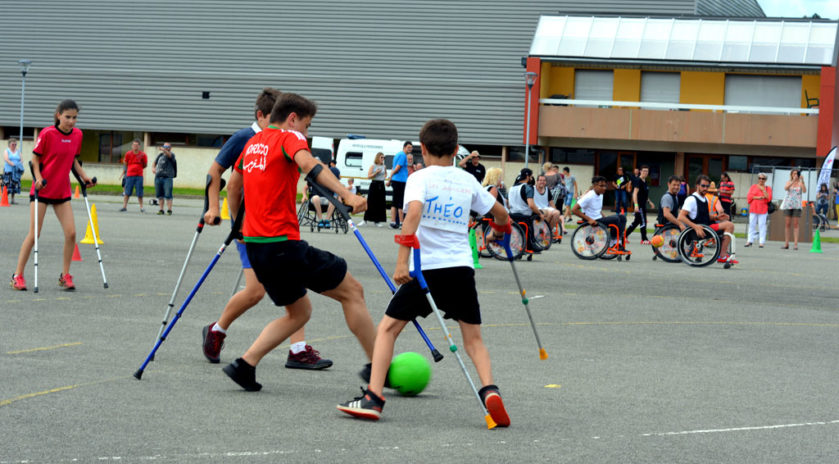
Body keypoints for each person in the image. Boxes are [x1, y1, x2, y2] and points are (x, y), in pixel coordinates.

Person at [337, 118, 511, 426]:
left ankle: (373, 398)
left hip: (426, 271)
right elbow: (500, 213)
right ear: (457, 150)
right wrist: (500, 229)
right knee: (473, 340)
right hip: (460, 270)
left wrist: (401, 261)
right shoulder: (467, 179)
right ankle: (489, 390)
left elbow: (413, 213)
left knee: (389, 329)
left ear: (423, 150)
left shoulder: (420, 178)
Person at [221, 92, 375, 391]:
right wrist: (347, 195)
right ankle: (378, 367)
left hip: (256, 246)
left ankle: (245, 365)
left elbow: (234, 186)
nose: (306, 132)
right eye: (306, 125)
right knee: (353, 291)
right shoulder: (289, 139)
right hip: (282, 245)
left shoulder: (253, 145)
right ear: (292, 119)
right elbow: (311, 166)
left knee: (299, 312)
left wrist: (239, 227)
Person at [202, 88, 330, 370]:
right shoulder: (245, 139)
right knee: (256, 292)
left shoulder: (282, 138)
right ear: (261, 116)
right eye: (273, 120)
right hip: (252, 229)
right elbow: (221, 177)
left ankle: (297, 349)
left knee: (292, 285)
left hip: (277, 229)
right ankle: (216, 330)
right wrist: (229, 218)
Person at [10, 100, 95, 291]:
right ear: (58, 115)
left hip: (61, 191)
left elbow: (73, 161)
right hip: (42, 190)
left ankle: (65, 275)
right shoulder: (48, 133)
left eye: (74, 118)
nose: (71, 121)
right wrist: (38, 178)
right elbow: (35, 159)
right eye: (67, 117)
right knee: (34, 235)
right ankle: (17, 275)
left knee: (71, 233)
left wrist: (85, 177)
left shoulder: (77, 135)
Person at [677, 175, 737, 264]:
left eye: (707, 186)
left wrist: (717, 217)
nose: (705, 188)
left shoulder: (704, 198)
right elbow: (681, 217)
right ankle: (722, 255)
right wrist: (696, 227)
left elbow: (703, 216)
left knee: (727, 223)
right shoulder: (691, 199)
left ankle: (723, 253)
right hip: (701, 228)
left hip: (706, 225)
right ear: (697, 185)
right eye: (703, 186)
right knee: (729, 225)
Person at [572, 176, 627, 250]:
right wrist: (589, 219)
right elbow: (574, 210)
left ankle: (617, 241)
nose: (604, 188)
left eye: (605, 186)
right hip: (592, 221)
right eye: (601, 186)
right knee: (616, 219)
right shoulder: (589, 196)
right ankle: (612, 242)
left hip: (599, 219)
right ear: (594, 186)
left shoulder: (600, 194)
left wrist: (605, 218)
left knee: (622, 217)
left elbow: (598, 210)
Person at [507, 168, 545, 254]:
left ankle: (522, 243)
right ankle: (531, 243)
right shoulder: (527, 188)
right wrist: (539, 213)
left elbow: (508, 203)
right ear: (528, 176)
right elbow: (531, 205)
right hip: (524, 215)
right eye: (531, 176)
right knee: (538, 215)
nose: (531, 178)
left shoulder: (511, 188)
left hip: (513, 214)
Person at [625, 165, 655, 244]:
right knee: (643, 221)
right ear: (640, 171)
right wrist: (636, 205)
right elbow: (634, 194)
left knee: (636, 222)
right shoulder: (638, 181)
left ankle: (624, 236)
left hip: (643, 205)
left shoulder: (645, 182)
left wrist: (650, 202)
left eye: (647, 171)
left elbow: (644, 195)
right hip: (639, 206)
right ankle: (644, 239)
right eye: (644, 171)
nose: (645, 172)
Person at [386, 141, 411, 229]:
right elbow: (397, 168)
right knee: (400, 202)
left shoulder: (397, 154)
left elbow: (393, 167)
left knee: (395, 202)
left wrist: (390, 179)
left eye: (410, 147)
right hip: (400, 181)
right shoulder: (403, 155)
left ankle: (393, 222)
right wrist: (391, 177)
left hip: (396, 180)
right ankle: (401, 223)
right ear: (404, 147)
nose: (410, 149)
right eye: (408, 147)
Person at [779, 169, 806, 250]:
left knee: (796, 224)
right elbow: (786, 188)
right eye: (793, 174)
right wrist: (793, 181)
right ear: (791, 175)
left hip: (797, 205)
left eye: (796, 174)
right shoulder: (788, 182)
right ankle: (786, 243)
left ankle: (795, 244)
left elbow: (804, 191)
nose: (795, 175)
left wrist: (802, 180)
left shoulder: (800, 183)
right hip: (788, 205)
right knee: (787, 224)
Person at [744, 173, 772, 248]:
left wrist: (763, 190)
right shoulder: (753, 187)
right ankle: (749, 240)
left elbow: (768, 198)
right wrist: (757, 197)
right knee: (751, 225)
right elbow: (749, 196)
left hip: (763, 209)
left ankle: (761, 242)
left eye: (763, 178)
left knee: (762, 225)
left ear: (765, 180)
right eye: (759, 178)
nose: (761, 180)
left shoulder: (768, 188)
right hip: (753, 208)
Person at [360, 151, 387, 227]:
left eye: (383, 157)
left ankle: (377, 221)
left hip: (381, 185)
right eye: (381, 157)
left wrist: (384, 177)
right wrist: (376, 173)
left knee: (380, 203)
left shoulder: (384, 166)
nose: (383, 159)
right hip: (374, 184)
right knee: (371, 202)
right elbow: (369, 176)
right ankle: (365, 220)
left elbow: (385, 173)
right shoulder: (373, 166)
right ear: (378, 157)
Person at [120, 139, 147, 212]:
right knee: (127, 192)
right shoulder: (128, 154)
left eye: (137, 145)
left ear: (139, 146)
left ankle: (141, 207)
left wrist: (138, 168)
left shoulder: (143, 155)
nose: (135, 146)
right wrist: (128, 170)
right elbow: (125, 163)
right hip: (130, 175)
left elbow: (145, 164)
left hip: (139, 176)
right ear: (132, 146)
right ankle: (124, 206)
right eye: (134, 145)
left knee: (139, 192)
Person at [152, 143, 177, 215]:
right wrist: (153, 168)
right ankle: (161, 209)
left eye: (167, 147)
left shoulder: (172, 155)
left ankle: (169, 210)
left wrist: (164, 150)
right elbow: (154, 163)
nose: (165, 148)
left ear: (170, 148)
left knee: (168, 194)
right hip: (158, 177)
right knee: (159, 195)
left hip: (167, 177)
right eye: (164, 146)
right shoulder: (160, 155)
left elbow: (169, 155)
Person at [3, 138, 24, 204]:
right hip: (9, 170)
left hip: (16, 171)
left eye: (15, 144)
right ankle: (4, 199)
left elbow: (21, 159)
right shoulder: (7, 151)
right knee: (8, 184)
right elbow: (6, 159)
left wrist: (18, 164)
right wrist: (13, 164)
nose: (14, 145)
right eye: (13, 144)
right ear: (9, 144)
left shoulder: (18, 151)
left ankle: (12, 199)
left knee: (15, 185)